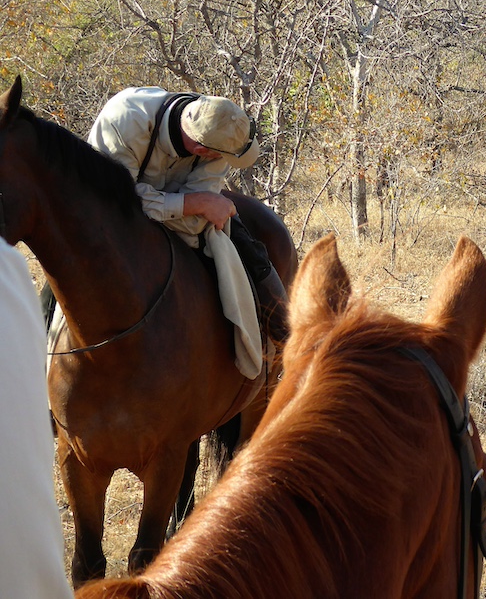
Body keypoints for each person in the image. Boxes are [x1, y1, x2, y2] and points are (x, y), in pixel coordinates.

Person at [85, 87, 288, 374]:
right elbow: (111, 200)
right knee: (63, 259)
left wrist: (190, 205)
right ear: (201, 149)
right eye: (218, 156)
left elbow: (194, 221)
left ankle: (292, 343)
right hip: (102, 213)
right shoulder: (125, 119)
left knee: (250, 251)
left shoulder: (218, 138)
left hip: (170, 213)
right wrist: (194, 203)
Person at [0, 239, 73, 598]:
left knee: (243, 262)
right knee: (53, 293)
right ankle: (42, 389)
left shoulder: (6, 270)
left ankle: (263, 347)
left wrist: (183, 206)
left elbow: (206, 181)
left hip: (183, 222)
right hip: (111, 218)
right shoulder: (9, 270)